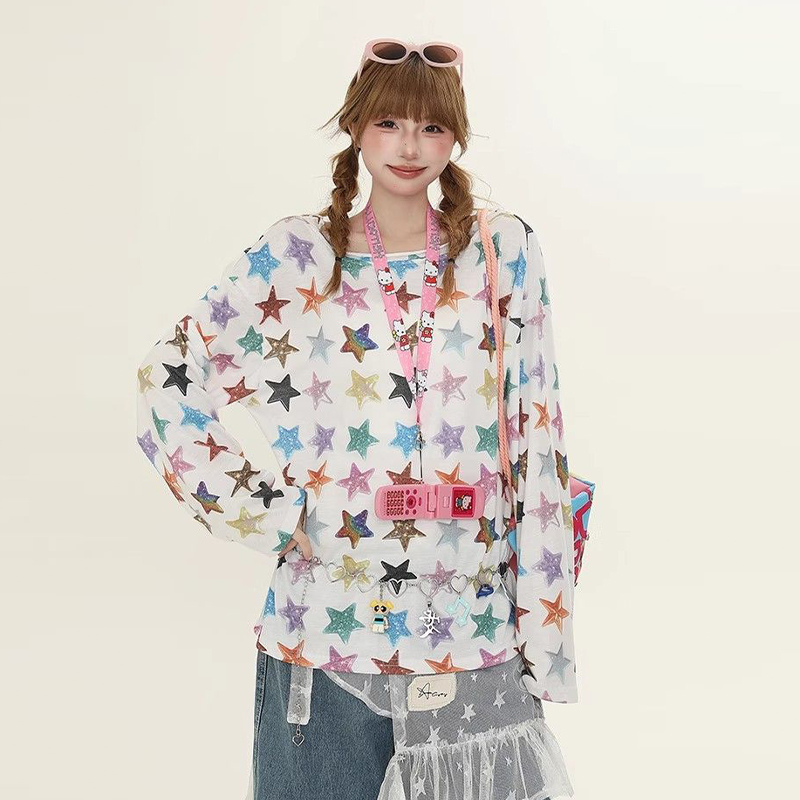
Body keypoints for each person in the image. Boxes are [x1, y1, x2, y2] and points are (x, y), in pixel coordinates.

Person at [136, 38, 577, 800]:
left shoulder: (501, 255)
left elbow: (539, 439)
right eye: (389, 123)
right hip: (324, 647)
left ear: (455, 137)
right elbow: (166, 377)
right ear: (356, 128)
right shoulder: (298, 258)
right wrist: (264, 510)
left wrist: (545, 638)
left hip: (474, 646)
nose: (409, 146)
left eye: (431, 127)